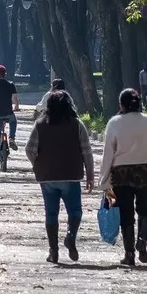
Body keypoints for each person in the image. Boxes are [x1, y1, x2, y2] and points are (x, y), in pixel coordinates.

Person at [96, 88, 147, 268]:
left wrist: (104, 180)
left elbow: (108, 154)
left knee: (125, 212)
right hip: (146, 170)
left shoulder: (114, 123)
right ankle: (142, 240)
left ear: (121, 104)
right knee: (145, 208)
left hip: (121, 173)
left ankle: (129, 254)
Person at [24, 87, 94, 263]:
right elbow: (86, 152)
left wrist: (38, 164)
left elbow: (29, 149)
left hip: (47, 177)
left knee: (51, 213)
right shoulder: (77, 125)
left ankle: (53, 251)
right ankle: (70, 236)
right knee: (75, 211)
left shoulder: (40, 125)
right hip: (71, 176)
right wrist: (90, 175)